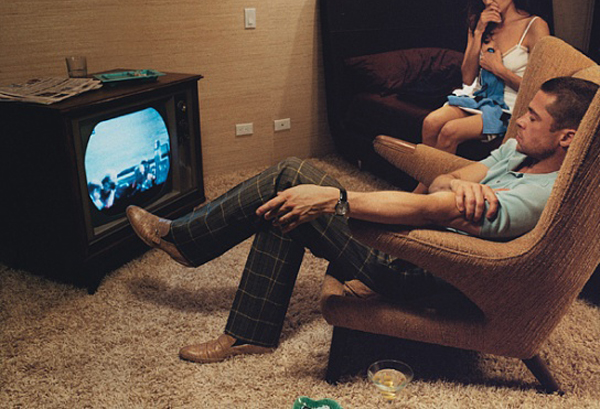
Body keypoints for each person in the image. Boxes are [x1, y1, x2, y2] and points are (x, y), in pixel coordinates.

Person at [127, 77, 596, 365]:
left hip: (424, 269)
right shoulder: (519, 152)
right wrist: (454, 187)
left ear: (567, 138)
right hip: (421, 240)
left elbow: (430, 208)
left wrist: (336, 199)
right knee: (291, 191)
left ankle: (190, 243)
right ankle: (249, 330)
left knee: (293, 178)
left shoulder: (539, 196)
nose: (518, 121)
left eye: (532, 117)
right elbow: (445, 183)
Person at [420, 0, 550, 160]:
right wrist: (479, 31)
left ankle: (436, 181)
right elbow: (467, 78)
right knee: (430, 122)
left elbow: (541, 90)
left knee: (450, 131)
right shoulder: (479, 22)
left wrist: (499, 69)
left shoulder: (534, 26)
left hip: (511, 106)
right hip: (481, 98)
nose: (488, 1)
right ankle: (424, 176)